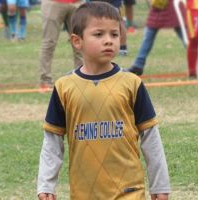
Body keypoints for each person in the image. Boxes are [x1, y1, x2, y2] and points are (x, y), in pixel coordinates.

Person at [37, 2, 170, 200]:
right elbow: (52, 141)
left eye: (114, 34)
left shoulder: (132, 83)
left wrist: (160, 186)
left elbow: (151, 137)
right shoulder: (64, 87)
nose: (108, 41)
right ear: (77, 41)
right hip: (84, 193)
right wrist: (46, 184)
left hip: (129, 192)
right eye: (99, 34)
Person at [127, 0, 185, 75]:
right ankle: (138, 64)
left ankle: (196, 61)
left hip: (173, 5)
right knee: (149, 34)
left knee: (183, 34)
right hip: (159, 5)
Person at [39, 0, 83, 89]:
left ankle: (82, 77)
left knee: (81, 43)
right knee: (49, 43)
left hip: (76, 3)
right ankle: (45, 81)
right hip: (53, 3)